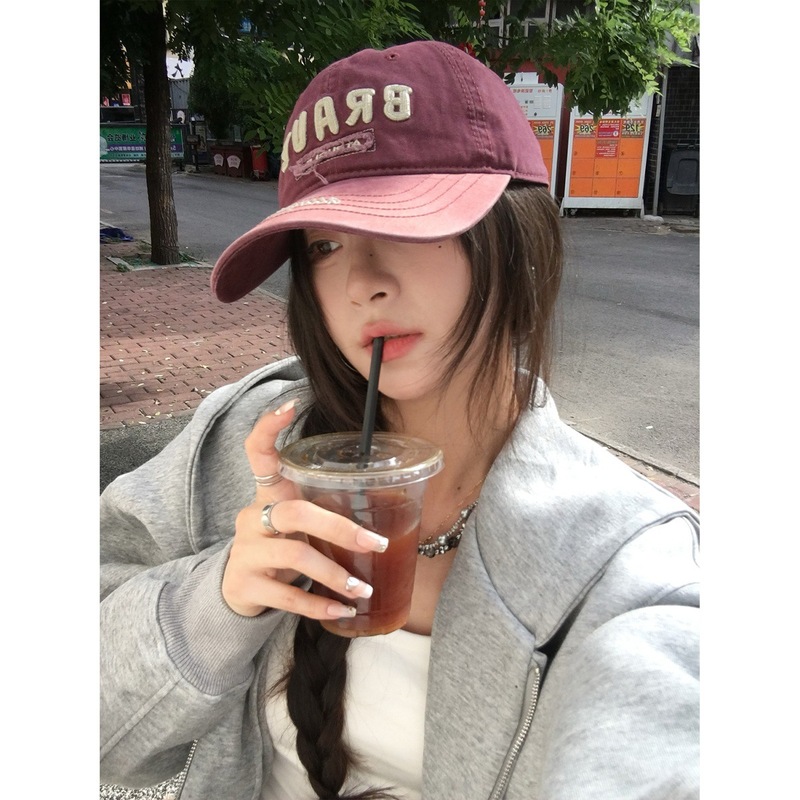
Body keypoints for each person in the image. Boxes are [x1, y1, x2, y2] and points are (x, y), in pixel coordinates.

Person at [100, 40, 699, 800]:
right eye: (323, 245)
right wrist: (218, 599)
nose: (362, 284)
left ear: (514, 237)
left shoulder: (616, 560)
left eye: (408, 224)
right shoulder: (242, 446)